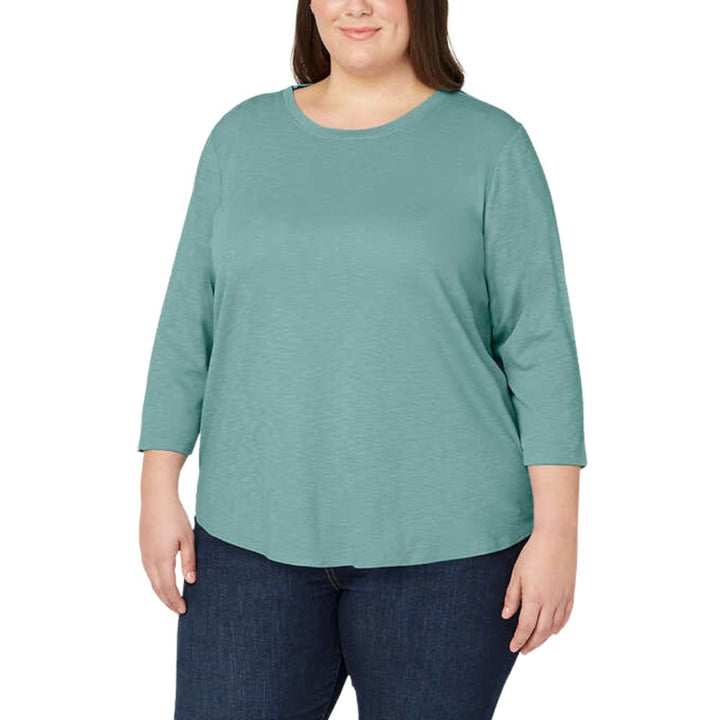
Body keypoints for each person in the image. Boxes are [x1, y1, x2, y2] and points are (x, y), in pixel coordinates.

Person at [137, 1, 587, 717]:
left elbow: (540, 346)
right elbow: (189, 323)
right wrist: (157, 485)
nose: (357, 5)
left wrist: (558, 533)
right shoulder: (240, 139)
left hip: (449, 553)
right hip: (248, 545)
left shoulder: (492, 146)